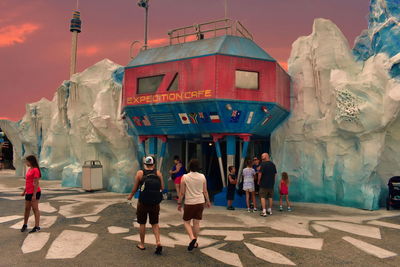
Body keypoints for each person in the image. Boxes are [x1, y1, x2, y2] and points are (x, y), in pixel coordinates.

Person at [128, 156, 164, 255]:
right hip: (155, 203)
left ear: (145, 164)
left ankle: (142, 244)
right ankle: (158, 242)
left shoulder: (140, 173)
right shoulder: (158, 173)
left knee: (142, 223)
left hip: (143, 202)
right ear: (154, 164)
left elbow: (135, 187)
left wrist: (130, 196)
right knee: (155, 223)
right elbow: (162, 187)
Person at [177, 159, 211, 251]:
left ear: (189, 167)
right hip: (200, 202)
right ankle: (195, 242)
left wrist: (179, 203)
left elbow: (182, 193)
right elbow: (205, 191)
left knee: (186, 222)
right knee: (196, 223)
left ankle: (192, 238)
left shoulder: (185, 177)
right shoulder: (202, 176)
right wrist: (208, 201)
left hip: (190, 202)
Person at [20, 155, 41, 233]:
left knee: (35, 209)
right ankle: (25, 225)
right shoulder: (29, 169)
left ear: (31, 161)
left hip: (34, 193)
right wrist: (24, 191)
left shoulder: (35, 170)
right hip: (28, 192)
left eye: (27, 161)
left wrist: (34, 195)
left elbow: (36, 183)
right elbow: (28, 182)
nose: (26, 163)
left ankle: (37, 227)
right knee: (27, 209)